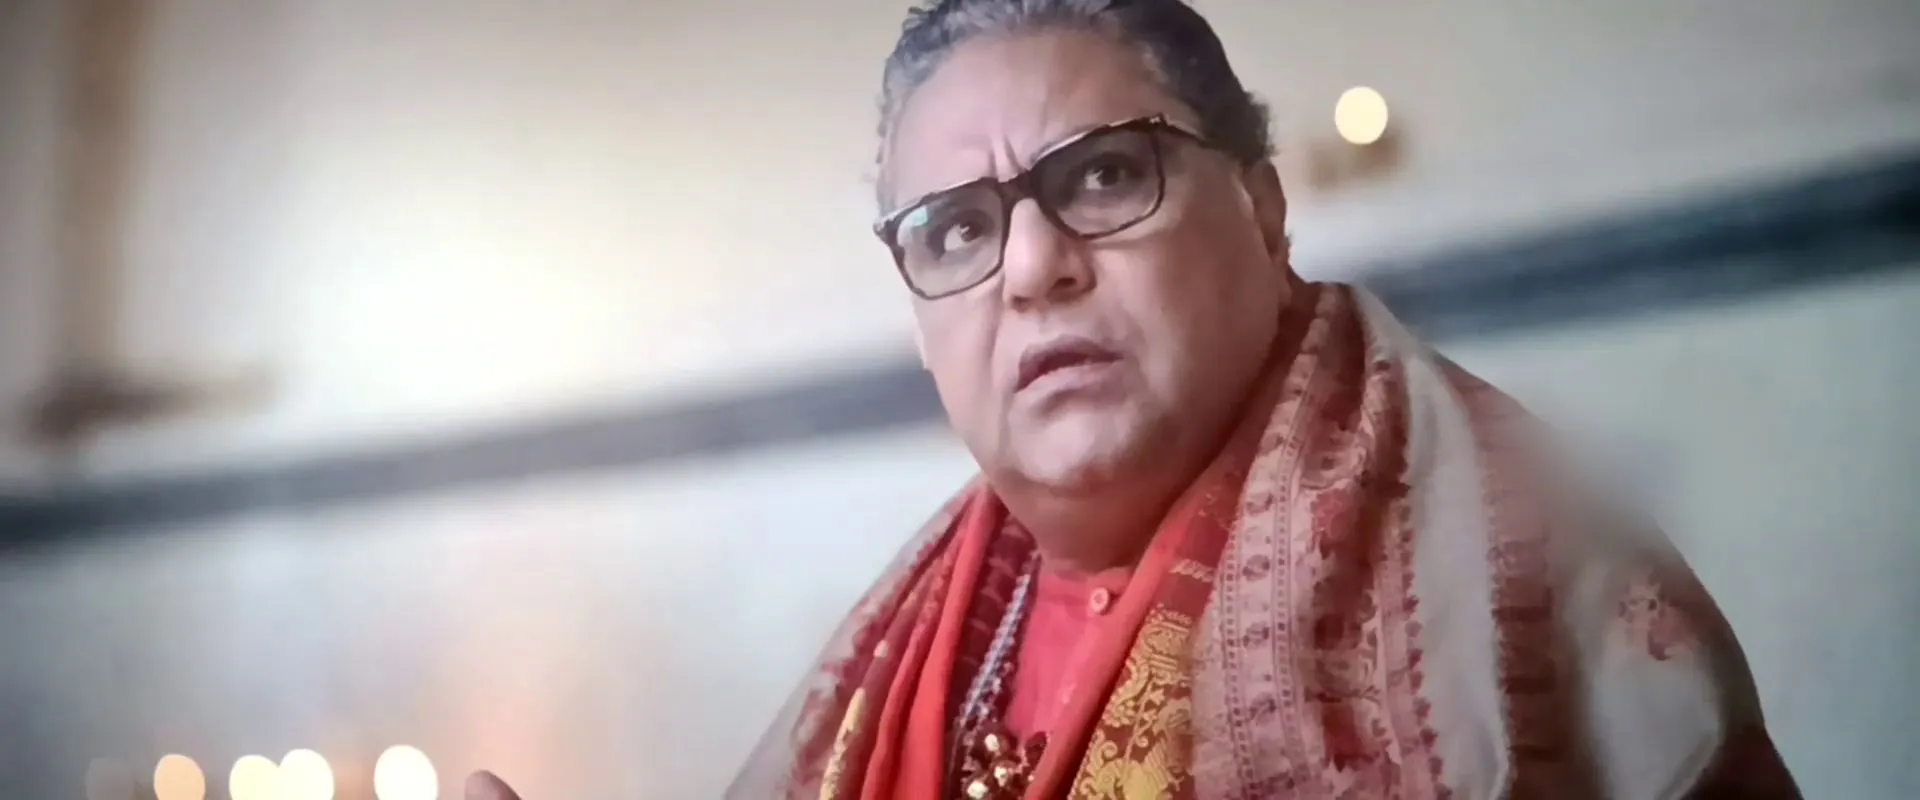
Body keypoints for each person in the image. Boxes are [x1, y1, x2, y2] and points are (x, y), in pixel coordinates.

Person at [468, 1, 1802, 797]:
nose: (1033, 267)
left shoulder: (1524, 585)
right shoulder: (922, 632)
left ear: (1265, 212)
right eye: (956, 228)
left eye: (1104, 176)